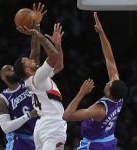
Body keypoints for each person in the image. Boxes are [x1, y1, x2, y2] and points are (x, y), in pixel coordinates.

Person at [63, 12, 128, 150]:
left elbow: (67, 116)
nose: (107, 82)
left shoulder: (99, 110)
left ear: (110, 92)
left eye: (108, 85)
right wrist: (101, 33)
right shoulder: (118, 97)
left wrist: (81, 93)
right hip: (109, 139)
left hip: (96, 145)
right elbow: (109, 58)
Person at [0, 2, 46, 150]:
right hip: (19, 141)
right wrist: (29, 115)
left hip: (38, 137)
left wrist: (36, 25)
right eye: (7, 70)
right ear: (3, 78)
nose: (11, 68)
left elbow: (35, 52)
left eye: (11, 67)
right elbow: (5, 128)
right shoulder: (3, 99)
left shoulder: (28, 80)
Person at [14, 23, 66, 150]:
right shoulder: (38, 78)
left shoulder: (35, 79)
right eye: (29, 61)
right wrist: (38, 34)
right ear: (27, 70)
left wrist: (37, 25)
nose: (33, 60)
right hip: (52, 125)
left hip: (43, 124)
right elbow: (53, 56)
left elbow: (58, 65)